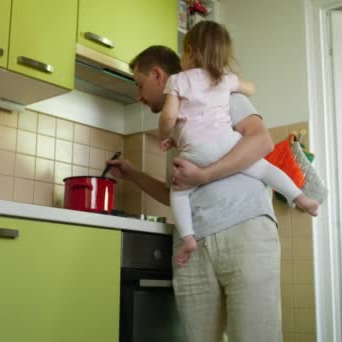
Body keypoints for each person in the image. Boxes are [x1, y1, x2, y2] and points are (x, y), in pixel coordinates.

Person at [107, 45, 283, 342]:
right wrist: (132, 175)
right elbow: (175, 193)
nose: (138, 95)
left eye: (139, 84)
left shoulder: (220, 93)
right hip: (193, 244)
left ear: (158, 75)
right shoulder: (171, 127)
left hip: (245, 231)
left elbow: (262, 142)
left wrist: (204, 175)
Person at [158, 21, 319, 267]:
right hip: (227, 144)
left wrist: (165, 135)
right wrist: (228, 78)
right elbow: (251, 88)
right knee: (264, 169)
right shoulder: (223, 78)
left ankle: (188, 238)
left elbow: (169, 117)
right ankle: (301, 198)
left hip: (195, 152)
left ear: (189, 50)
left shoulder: (177, 80)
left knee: (179, 191)